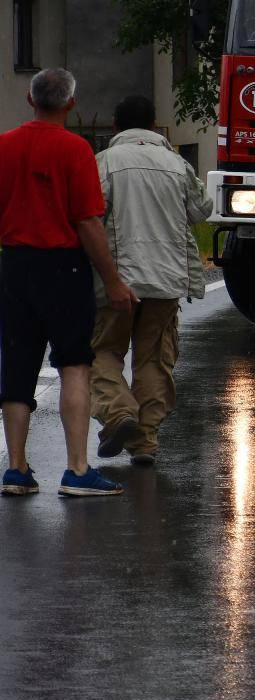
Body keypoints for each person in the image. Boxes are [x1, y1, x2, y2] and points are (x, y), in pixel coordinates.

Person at [0, 70, 136, 498]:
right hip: (63, 269)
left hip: (14, 266)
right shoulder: (76, 150)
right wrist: (112, 280)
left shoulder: (4, 146)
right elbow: (88, 222)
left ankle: (17, 469)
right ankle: (77, 470)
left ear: (29, 98)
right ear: (71, 104)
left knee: (17, 367)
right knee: (74, 365)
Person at [89, 95, 213, 467]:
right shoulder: (176, 163)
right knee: (155, 359)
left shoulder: (105, 163)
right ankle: (144, 440)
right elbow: (201, 210)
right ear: (155, 124)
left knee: (103, 351)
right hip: (166, 279)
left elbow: (90, 214)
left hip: (117, 280)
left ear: (115, 126)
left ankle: (119, 412)